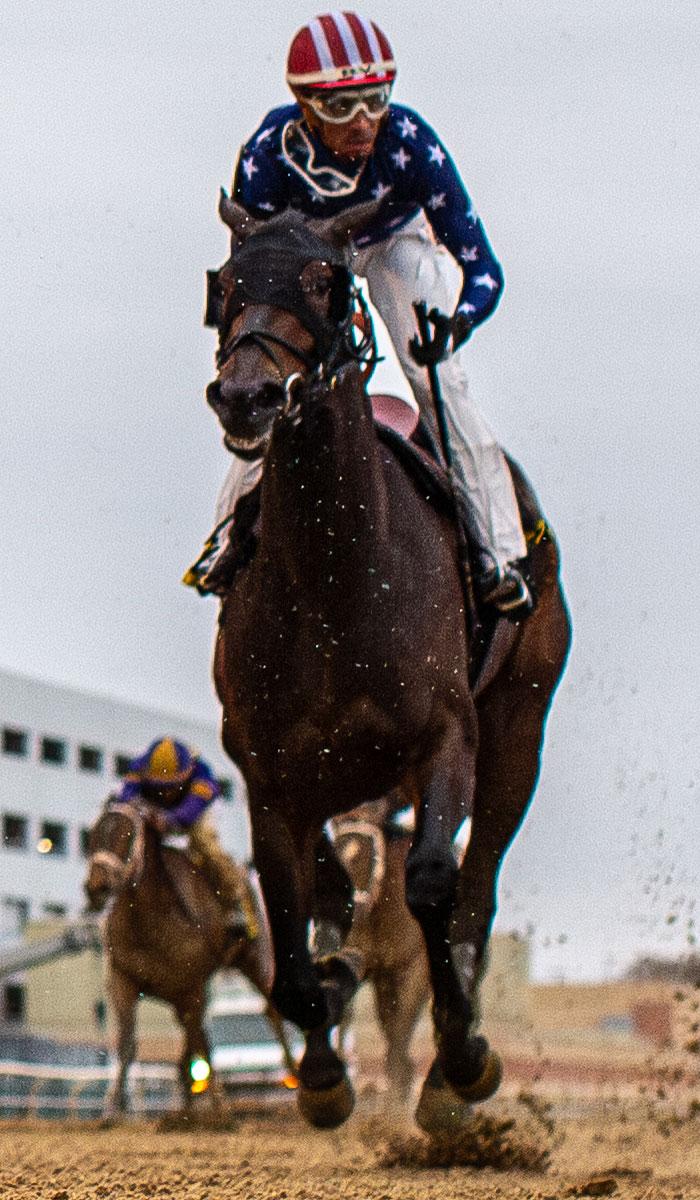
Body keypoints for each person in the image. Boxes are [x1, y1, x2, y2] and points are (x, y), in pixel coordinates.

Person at [205, 11, 531, 613]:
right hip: (308, 255)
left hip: (393, 246)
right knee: (265, 380)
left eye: (375, 100)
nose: (362, 124)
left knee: (438, 382)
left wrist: (456, 326)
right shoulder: (266, 154)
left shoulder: (410, 142)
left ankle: (499, 555)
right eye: (340, 109)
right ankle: (227, 534)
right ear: (302, 104)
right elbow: (248, 279)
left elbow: (484, 268)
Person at [115, 738, 255, 941]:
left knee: (205, 844)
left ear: (187, 774)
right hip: (155, 809)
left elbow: (192, 809)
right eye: (158, 786)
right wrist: (137, 810)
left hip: (195, 812)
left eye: (171, 786)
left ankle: (237, 901)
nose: (165, 792)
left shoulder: (202, 775)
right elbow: (125, 797)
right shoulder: (139, 766)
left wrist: (171, 819)